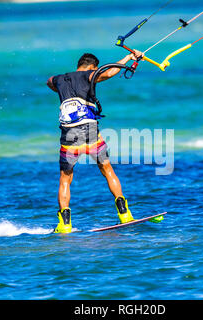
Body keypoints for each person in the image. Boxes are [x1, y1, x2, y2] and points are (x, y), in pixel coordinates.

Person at [47, 50, 143, 233]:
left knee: (65, 179)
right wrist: (129, 58)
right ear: (92, 67)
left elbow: (49, 80)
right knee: (107, 170)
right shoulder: (89, 75)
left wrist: (59, 88)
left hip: (68, 134)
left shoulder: (60, 79)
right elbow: (108, 72)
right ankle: (124, 214)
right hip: (89, 131)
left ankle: (65, 224)